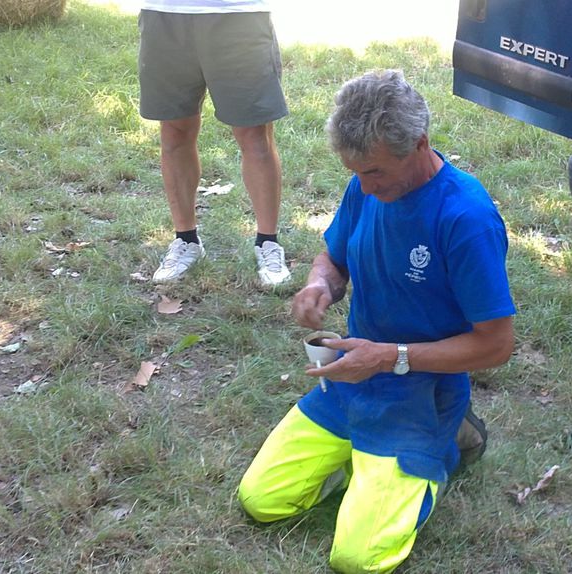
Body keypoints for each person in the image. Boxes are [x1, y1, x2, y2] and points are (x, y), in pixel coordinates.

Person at [237, 70, 516, 573]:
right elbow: (334, 256)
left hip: (420, 393)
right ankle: (366, 462)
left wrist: (391, 358)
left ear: (420, 144)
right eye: (356, 172)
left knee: (358, 559)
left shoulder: (465, 217)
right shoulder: (363, 186)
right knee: (262, 500)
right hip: (350, 382)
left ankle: (442, 447)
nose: (364, 185)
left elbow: (496, 345)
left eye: (376, 173)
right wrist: (320, 284)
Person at [137, 0, 291, 286]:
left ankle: (268, 243)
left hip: (238, 16)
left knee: (255, 136)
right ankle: (186, 240)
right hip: (166, 14)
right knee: (174, 131)